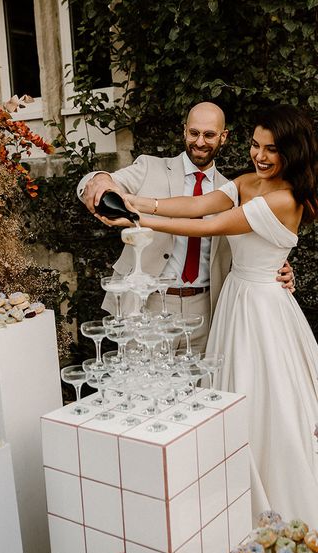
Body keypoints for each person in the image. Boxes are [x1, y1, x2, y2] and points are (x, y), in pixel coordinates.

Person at [98, 104, 318, 524]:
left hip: (262, 309)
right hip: (234, 300)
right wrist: (132, 198)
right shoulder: (247, 181)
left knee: (264, 400)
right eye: (255, 145)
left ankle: (268, 501)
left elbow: (208, 227)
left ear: (294, 151)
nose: (260, 156)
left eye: (272, 149)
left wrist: (136, 216)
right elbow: (197, 205)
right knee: (225, 391)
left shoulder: (285, 199)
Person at [77, 102, 294, 353]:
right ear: (184, 132)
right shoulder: (149, 167)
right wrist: (99, 180)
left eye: (209, 135)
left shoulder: (234, 190)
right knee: (145, 387)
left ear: (223, 137)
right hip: (148, 304)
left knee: (200, 387)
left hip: (206, 308)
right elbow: (99, 182)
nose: (200, 142)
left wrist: (277, 268)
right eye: (194, 133)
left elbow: (256, 235)